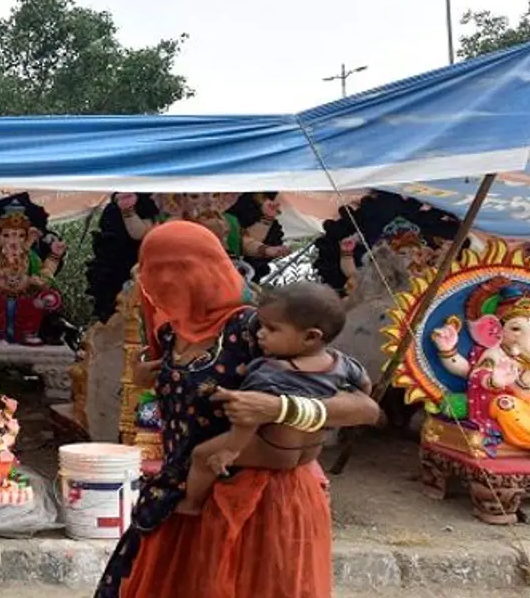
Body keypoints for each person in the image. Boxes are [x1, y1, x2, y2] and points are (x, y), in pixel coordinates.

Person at [94, 220, 380, 598]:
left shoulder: (256, 329)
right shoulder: (170, 334)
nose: (159, 281)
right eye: (152, 269)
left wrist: (280, 407)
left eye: (174, 269)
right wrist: (148, 375)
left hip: (257, 504)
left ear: (206, 269)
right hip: (179, 497)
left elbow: (364, 408)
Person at [177, 282, 371, 515]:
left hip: (273, 449)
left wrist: (231, 450)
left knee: (201, 456)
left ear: (311, 337)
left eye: (271, 329)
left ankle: (192, 504)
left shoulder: (271, 372)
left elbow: (249, 416)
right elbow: (365, 386)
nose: (260, 333)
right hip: (310, 451)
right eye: (260, 326)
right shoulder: (342, 363)